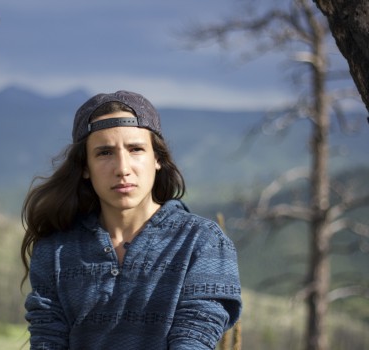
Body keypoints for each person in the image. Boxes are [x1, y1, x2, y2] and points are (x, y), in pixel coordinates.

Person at [21, 90, 242, 350]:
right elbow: (48, 340)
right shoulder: (55, 250)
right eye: (104, 153)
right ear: (84, 167)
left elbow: (194, 339)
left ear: (157, 158)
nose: (122, 168)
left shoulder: (202, 242)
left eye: (135, 149)